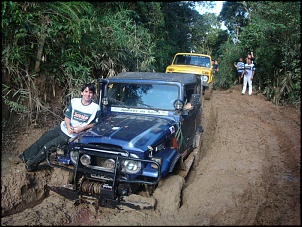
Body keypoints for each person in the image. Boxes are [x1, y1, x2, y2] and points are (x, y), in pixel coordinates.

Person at [14, 82, 100, 171]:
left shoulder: (95, 108)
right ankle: (23, 157)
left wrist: (82, 128)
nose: (88, 94)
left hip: (72, 136)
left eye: (90, 92)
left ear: (93, 94)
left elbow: (95, 123)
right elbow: (67, 117)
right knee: (42, 140)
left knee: (48, 147)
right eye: (86, 91)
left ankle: (31, 165)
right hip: (62, 128)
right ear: (82, 93)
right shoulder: (74, 102)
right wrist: (68, 126)